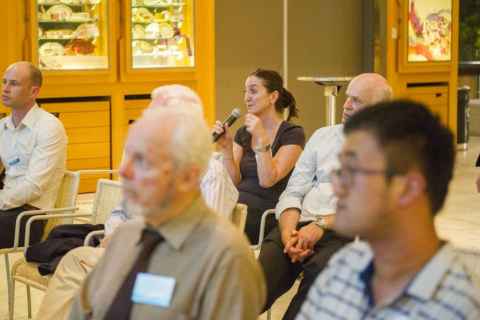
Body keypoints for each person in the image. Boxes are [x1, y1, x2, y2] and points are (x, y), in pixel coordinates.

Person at [35, 85, 239, 320]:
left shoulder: (209, 172)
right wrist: (114, 238)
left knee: (91, 276)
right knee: (76, 260)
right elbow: (123, 212)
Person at [68, 107, 265, 320]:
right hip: (134, 252)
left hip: (183, 263)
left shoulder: (227, 256)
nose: (128, 174)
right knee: (74, 261)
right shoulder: (128, 234)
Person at [297, 100, 480, 319]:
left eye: (352, 171)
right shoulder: (343, 267)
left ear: (408, 189)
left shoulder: (462, 304)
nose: (337, 186)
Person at [259, 73, 393, 319]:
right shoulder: (323, 136)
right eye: (347, 97)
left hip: (347, 232)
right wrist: (289, 233)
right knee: (258, 278)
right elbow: (294, 190)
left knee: (322, 274)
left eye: (357, 100)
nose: (346, 105)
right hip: (298, 224)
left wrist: (320, 226)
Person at [213, 68, 305, 243]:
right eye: (245, 91)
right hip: (235, 204)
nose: (247, 97)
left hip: (263, 212)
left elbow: (267, 180)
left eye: (253, 91)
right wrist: (225, 148)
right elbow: (233, 182)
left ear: (273, 97)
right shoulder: (243, 132)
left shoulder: (292, 133)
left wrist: (262, 139)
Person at [0, 61, 67, 248]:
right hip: (7, 206)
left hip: (31, 215)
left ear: (33, 92)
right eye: (4, 82)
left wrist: (1, 200)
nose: (5, 89)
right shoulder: (3, 126)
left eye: (14, 84)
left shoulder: (49, 127)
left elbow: (34, 187)